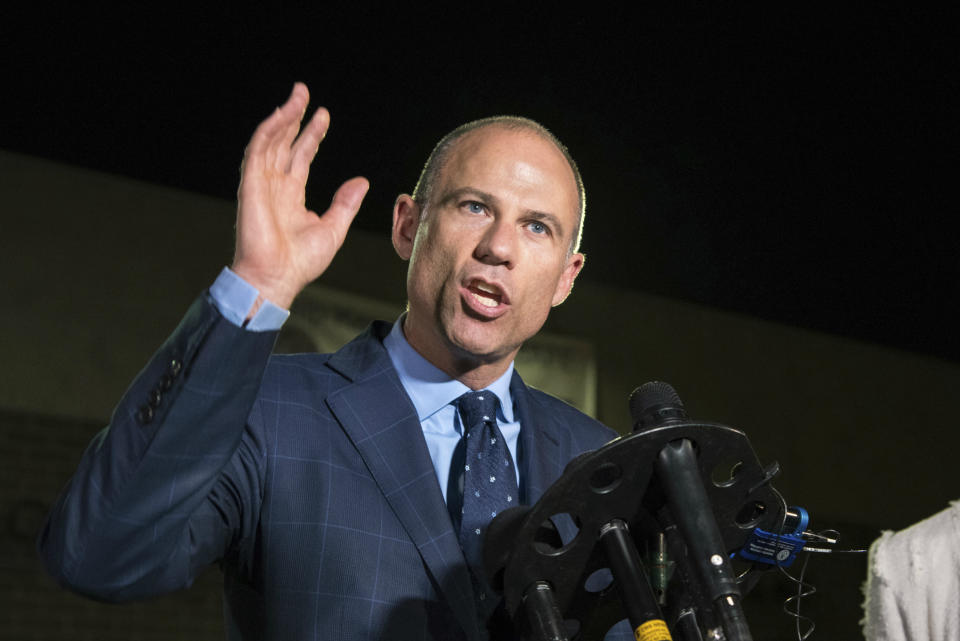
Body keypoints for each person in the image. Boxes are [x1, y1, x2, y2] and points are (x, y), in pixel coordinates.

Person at [39, 83, 630, 640]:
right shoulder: (272, 413)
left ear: (565, 278)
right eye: (474, 206)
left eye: (536, 227)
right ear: (407, 226)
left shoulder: (604, 461)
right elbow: (97, 556)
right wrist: (256, 285)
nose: (498, 247)